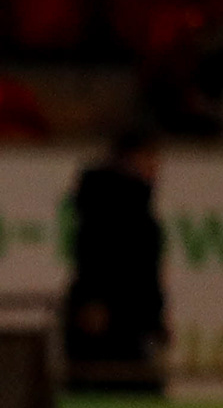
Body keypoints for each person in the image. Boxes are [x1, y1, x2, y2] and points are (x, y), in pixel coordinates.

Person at [64, 130, 167, 391]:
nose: (156, 166)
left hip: (130, 319)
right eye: (149, 157)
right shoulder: (109, 208)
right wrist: (94, 299)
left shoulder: (133, 209)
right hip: (116, 324)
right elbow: (96, 255)